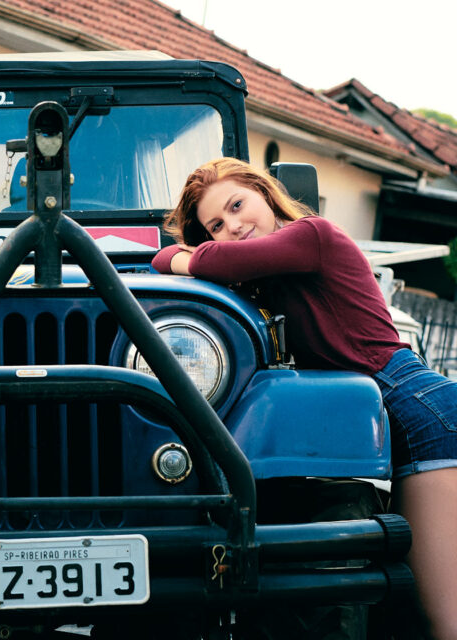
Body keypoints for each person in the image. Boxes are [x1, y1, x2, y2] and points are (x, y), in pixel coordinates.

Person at [152, 157, 457, 640]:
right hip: (393, 417)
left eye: (237, 205)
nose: (233, 225)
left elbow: (207, 261)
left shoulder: (312, 235)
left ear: (265, 194)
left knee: (442, 619)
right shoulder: (271, 278)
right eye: (217, 224)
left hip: (422, 411)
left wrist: (176, 255)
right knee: (404, 613)